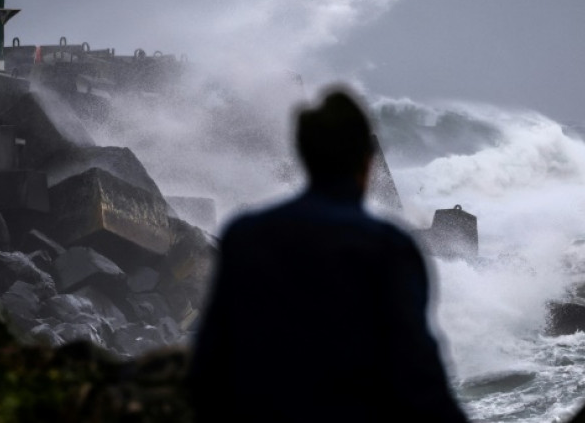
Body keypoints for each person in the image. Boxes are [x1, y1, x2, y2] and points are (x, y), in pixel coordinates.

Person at [187, 86, 469, 422]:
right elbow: (419, 376)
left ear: (303, 157)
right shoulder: (389, 247)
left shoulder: (245, 235)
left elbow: (209, 365)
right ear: (367, 162)